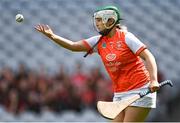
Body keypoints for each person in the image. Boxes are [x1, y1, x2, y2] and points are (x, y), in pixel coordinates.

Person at [35, 5, 160, 122]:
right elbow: (73, 46)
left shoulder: (126, 37)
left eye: (100, 20)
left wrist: (154, 80)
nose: (97, 23)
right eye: (97, 20)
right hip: (120, 93)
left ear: (110, 21)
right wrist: (52, 36)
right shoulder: (99, 41)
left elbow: (149, 57)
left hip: (140, 89)